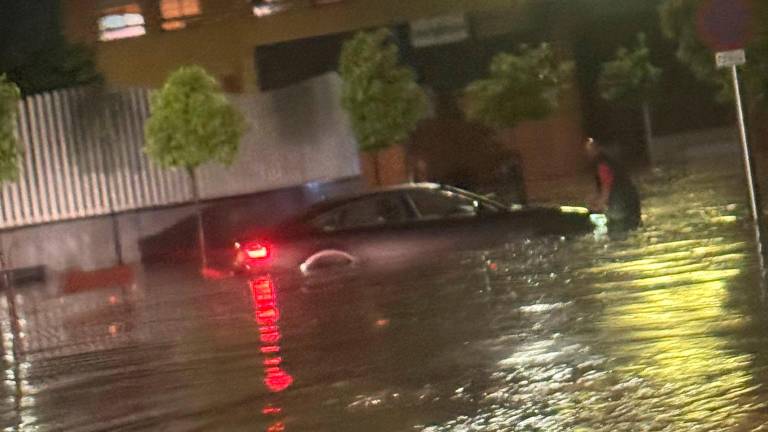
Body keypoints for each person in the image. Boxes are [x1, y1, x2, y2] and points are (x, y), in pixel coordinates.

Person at [585, 137, 641, 234]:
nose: (587, 154)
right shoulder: (611, 161)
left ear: (597, 148)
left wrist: (596, 206)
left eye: (590, 149)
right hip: (630, 205)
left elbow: (606, 188)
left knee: (616, 231)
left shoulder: (602, 165)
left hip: (621, 208)